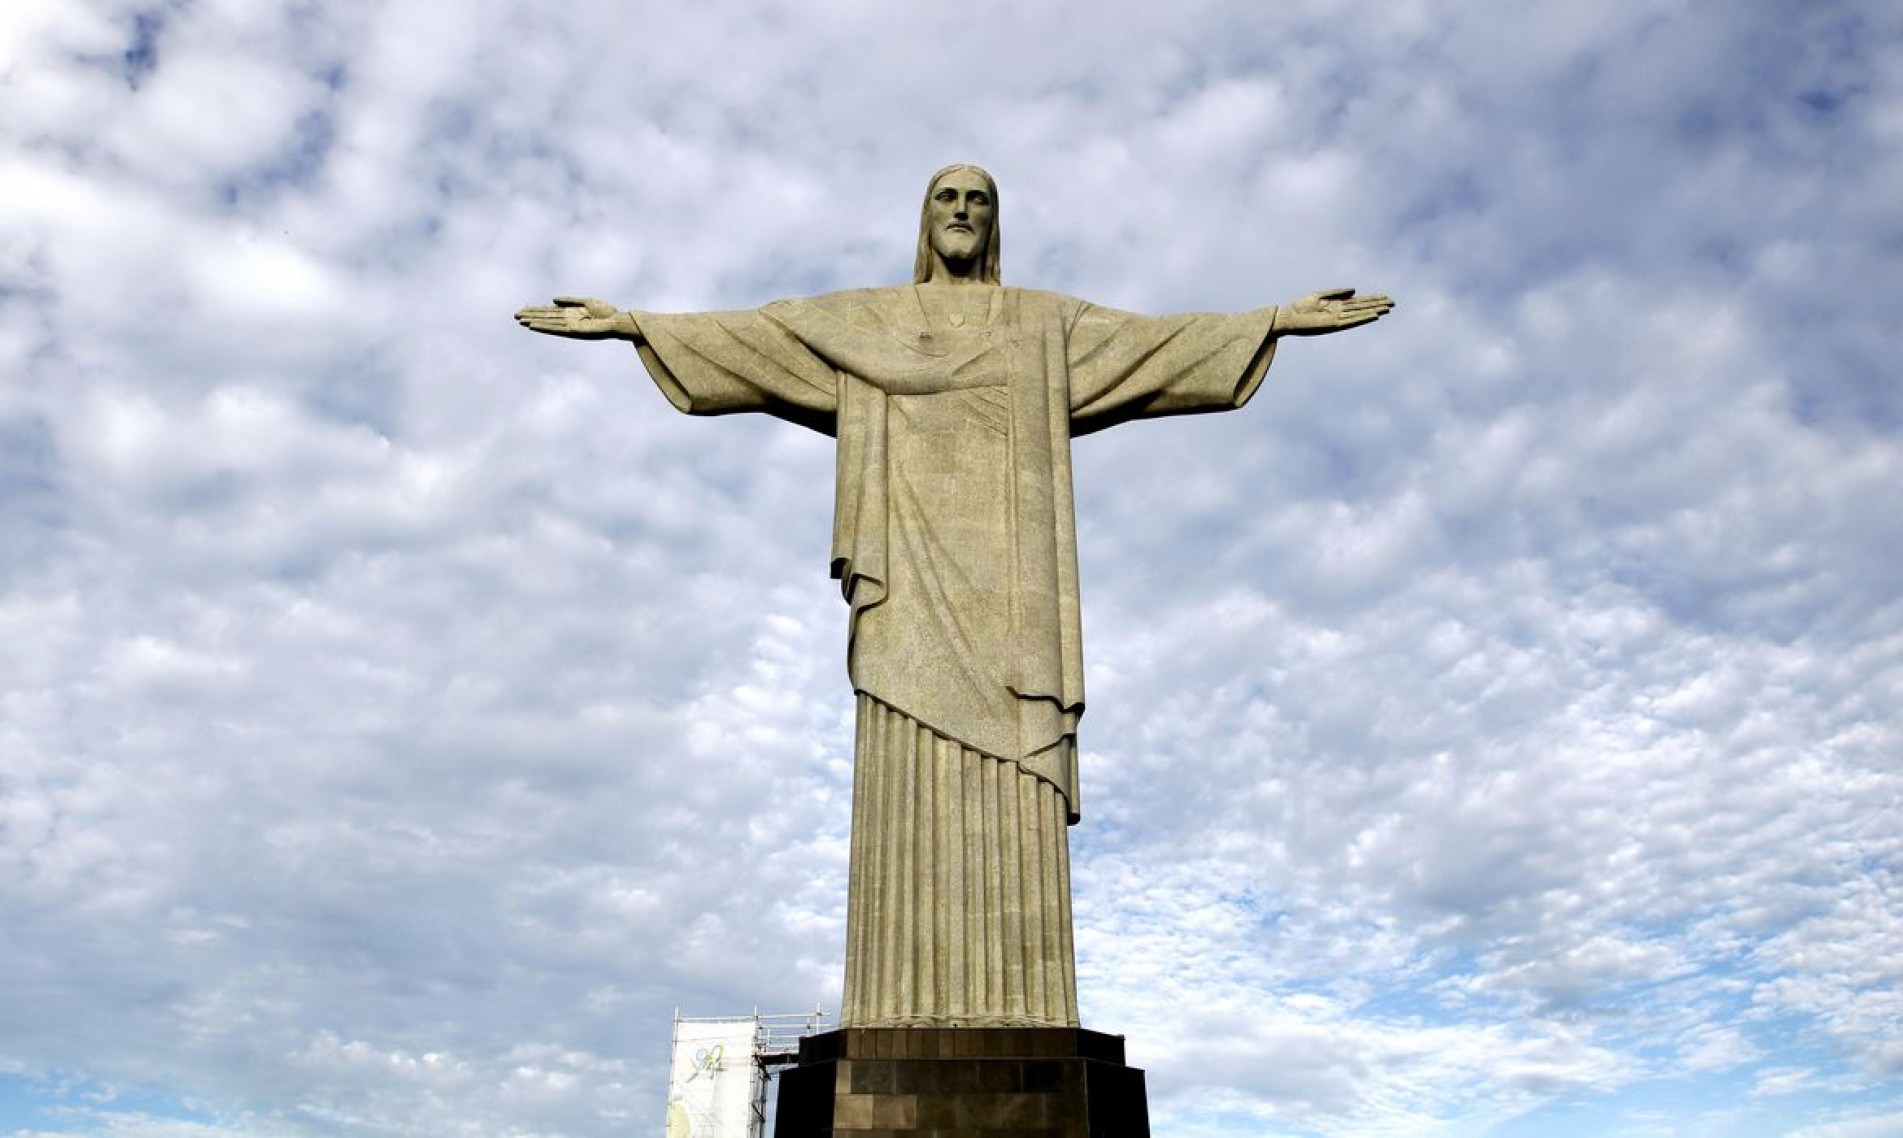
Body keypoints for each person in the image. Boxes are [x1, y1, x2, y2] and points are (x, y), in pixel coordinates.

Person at [516, 164, 1392, 1028]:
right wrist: (633, 323)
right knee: (904, 748)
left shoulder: (1043, 325)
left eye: (979, 200)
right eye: (947, 198)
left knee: (1015, 759)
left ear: (995, 222)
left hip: (1013, 593)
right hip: (905, 579)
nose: (963, 211)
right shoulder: (867, 323)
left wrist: (1272, 319)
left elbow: (1154, 345)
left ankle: (1024, 1008)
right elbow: (758, 336)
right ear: (924, 218)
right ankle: (897, 1003)